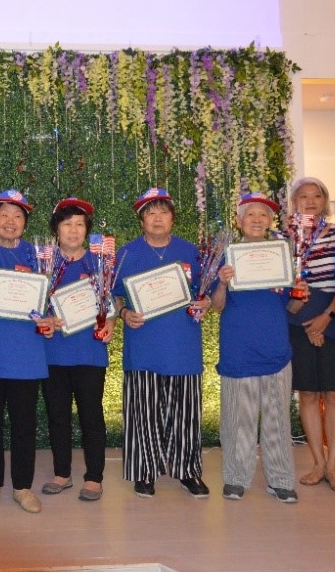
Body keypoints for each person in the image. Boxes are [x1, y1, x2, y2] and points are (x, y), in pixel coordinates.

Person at [114, 188, 210, 499]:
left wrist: (206, 302)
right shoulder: (126, 254)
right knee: (143, 413)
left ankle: (187, 471)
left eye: (163, 212)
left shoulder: (192, 252)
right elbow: (112, 294)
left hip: (183, 347)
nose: (157, 218)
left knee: (185, 415)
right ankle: (145, 471)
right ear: (141, 219)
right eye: (150, 212)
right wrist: (124, 311)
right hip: (143, 347)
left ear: (172, 217)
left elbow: (208, 291)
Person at [210, 192, 306, 503]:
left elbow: (290, 308)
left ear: (270, 222)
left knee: (278, 419)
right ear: (239, 221)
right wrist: (222, 282)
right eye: (250, 214)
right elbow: (216, 306)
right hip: (239, 351)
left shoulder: (283, 257)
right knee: (238, 419)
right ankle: (236, 478)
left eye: (263, 215)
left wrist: (299, 293)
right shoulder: (226, 256)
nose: (257, 219)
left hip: (276, 351)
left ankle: (280, 479)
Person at [0, 190, 50, 514]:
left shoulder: (39, 256)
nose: (10, 222)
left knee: (24, 423)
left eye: (17, 216)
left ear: (25, 223)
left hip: (26, 356)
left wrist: (50, 317)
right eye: (4, 214)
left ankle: (22, 487)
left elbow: (50, 297)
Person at [40, 198, 113, 502]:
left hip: (89, 352)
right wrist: (44, 319)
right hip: (53, 352)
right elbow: (34, 306)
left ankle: (94, 477)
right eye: (67, 223)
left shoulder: (99, 262)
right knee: (57, 416)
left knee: (91, 416)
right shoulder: (44, 262)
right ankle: (62, 473)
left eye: (80, 224)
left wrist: (110, 322)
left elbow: (108, 303)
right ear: (56, 229)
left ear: (87, 230)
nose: (73, 230)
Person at [286, 177, 335, 493]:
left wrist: (327, 317)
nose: (310, 201)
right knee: (309, 394)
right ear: (293, 202)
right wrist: (295, 307)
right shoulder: (282, 238)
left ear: (325, 201)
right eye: (303, 196)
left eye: (317, 196)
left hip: (334, 319)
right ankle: (317, 462)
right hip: (296, 321)